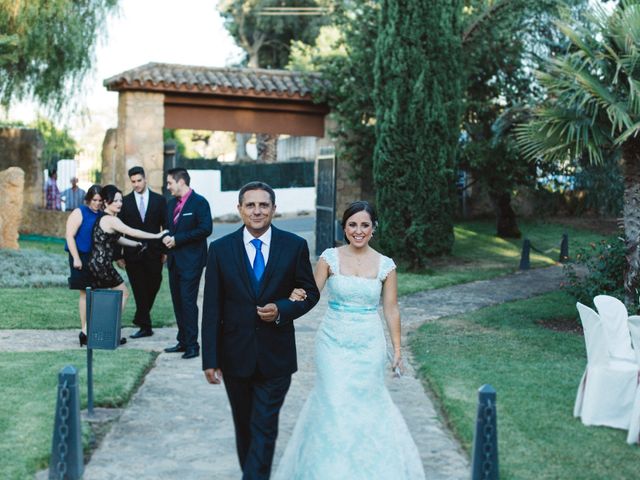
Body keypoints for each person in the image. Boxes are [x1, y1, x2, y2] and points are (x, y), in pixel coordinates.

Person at [272, 201, 425, 480]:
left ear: (373, 229)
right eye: (352, 225)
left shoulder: (386, 266)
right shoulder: (329, 258)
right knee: (333, 401)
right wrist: (290, 300)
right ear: (344, 228)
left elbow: (391, 309)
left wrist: (397, 350)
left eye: (364, 225)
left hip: (369, 344)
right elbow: (311, 294)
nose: (358, 231)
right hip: (332, 342)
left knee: (367, 404)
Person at [201, 181, 320, 479]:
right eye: (250, 205)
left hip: (276, 357)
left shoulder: (294, 246)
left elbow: (310, 291)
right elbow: (212, 308)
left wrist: (282, 309)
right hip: (234, 356)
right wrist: (210, 358)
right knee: (244, 427)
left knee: (264, 426)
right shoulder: (219, 250)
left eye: (263, 205)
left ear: (274, 210)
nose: (257, 211)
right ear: (239, 209)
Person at [87, 185, 168, 333]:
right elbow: (132, 231)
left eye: (120, 200)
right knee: (121, 294)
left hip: (98, 264)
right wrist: (156, 236)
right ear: (106, 202)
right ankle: (107, 329)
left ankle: (88, 331)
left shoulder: (104, 218)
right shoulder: (111, 220)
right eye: (115, 201)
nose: (119, 204)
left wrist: (136, 244)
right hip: (102, 266)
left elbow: (118, 239)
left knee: (107, 299)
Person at [162, 168, 212, 360]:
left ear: (181, 182)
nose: (168, 187)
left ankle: (193, 345)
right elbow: (169, 227)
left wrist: (178, 239)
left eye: (169, 183)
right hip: (174, 261)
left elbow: (206, 229)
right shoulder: (170, 204)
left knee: (188, 301)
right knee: (177, 301)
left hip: (192, 261)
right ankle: (182, 340)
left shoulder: (200, 203)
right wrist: (167, 238)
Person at [118, 166, 167, 339]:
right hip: (132, 254)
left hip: (155, 252)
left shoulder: (159, 200)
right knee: (139, 288)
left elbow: (165, 226)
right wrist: (119, 255)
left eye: (139, 180)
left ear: (145, 179)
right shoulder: (125, 202)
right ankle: (145, 326)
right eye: (133, 181)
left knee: (155, 283)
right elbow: (119, 231)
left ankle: (140, 316)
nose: (137, 184)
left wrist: (165, 250)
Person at [64, 184, 103, 346]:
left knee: (97, 293)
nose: (97, 203)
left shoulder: (102, 215)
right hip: (80, 256)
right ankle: (85, 330)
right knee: (85, 294)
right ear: (88, 199)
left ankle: (89, 330)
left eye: (100, 200)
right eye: (94, 200)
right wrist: (76, 259)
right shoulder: (80, 212)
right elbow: (69, 235)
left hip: (96, 258)